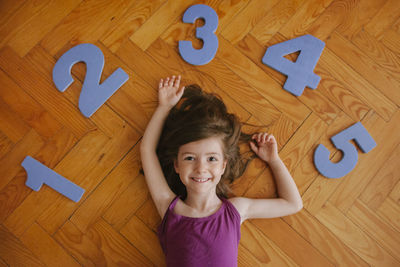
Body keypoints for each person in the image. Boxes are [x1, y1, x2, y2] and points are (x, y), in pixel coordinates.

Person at [140, 75, 303, 267]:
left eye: (211, 159)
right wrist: (164, 108)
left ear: (223, 165)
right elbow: (147, 150)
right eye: (190, 158)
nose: (201, 168)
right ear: (176, 165)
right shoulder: (168, 207)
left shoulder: (236, 211)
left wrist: (274, 160)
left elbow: (293, 203)